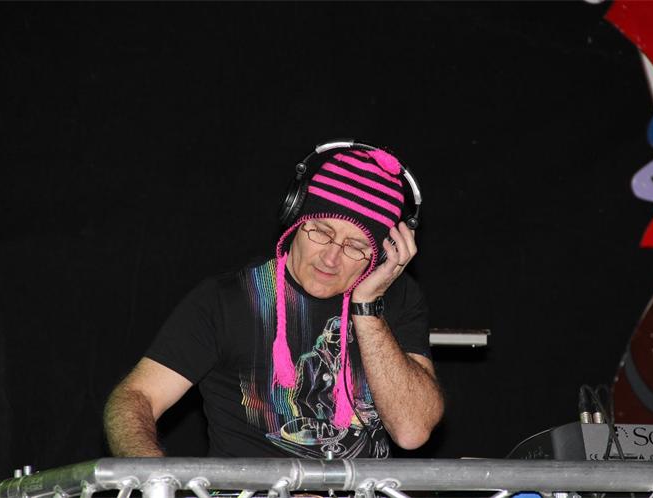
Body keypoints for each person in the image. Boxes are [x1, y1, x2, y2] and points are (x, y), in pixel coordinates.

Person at [103, 144, 444, 458]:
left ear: (382, 254)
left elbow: (412, 431)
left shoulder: (397, 299)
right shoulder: (228, 301)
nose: (331, 258)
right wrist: (154, 480)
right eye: (321, 232)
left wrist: (367, 308)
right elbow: (136, 397)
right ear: (295, 217)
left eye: (356, 247)